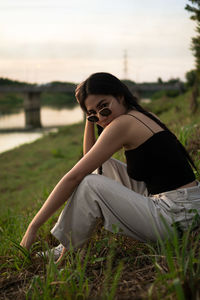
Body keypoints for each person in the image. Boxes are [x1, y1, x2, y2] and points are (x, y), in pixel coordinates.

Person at [20, 72, 200, 262]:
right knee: (102, 164)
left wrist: (33, 227)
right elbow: (90, 158)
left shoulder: (123, 124)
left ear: (120, 96)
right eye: (93, 113)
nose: (101, 117)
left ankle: (66, 255)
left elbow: (75, 177)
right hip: (186, 205)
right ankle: (65, 246)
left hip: (176, 217)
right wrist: (90, 118)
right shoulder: (141, 115)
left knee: (89, 183)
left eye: (104, 107)